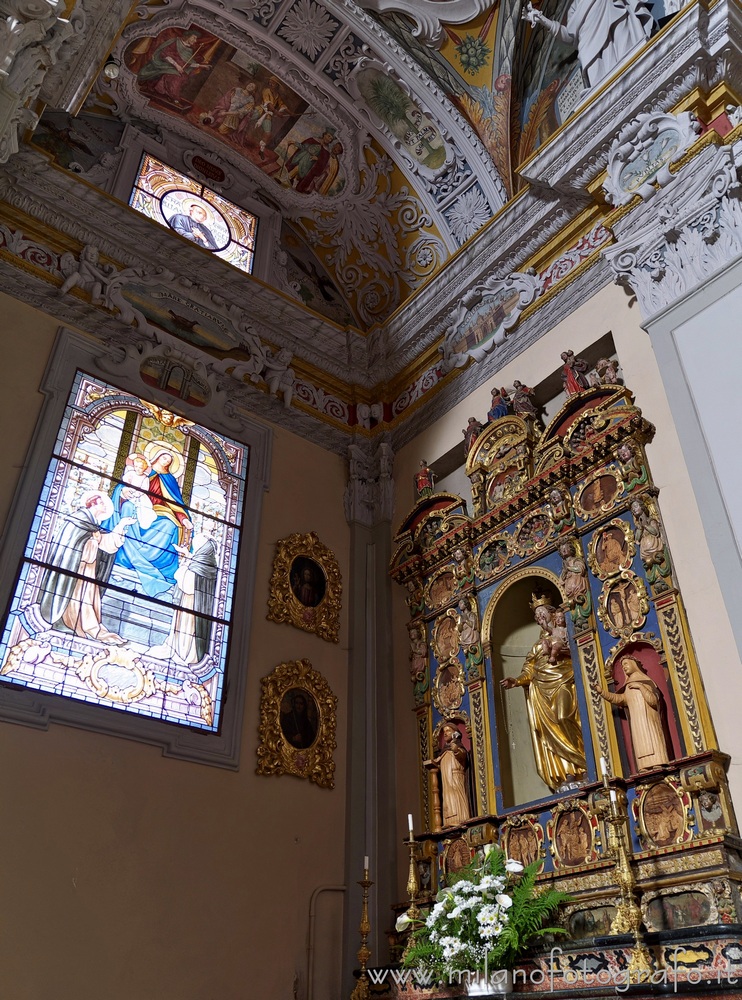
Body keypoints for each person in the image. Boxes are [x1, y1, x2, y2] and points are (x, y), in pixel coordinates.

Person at [501, 595, 587, 791]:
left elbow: (579, 652)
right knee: (550, 733)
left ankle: (584, 762)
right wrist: (516, 680)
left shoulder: (566, 634)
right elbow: (529, 670)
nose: (541, 620)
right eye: (538, 618)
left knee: (565, 717)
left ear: (553, 614)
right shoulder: (537, 646)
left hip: (564, 681)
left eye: (543, 615)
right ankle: (568, 773)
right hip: (541, 691)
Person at [38, 492, 136, 643]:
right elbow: (75, 546)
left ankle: (84, 626)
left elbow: (105, 543)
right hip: (75, 570)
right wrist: (93, 542)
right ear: (94, 504)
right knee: (74, 599)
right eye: (102, 503)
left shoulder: (92, 525)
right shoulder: (78, 520)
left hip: (87, 572)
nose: (105, 506)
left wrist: (121, 525)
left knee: (86, 602)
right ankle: (66, 621)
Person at [105, 447, 193, 597]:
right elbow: (122, 487)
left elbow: (176, 503)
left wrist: (184, 519)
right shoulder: (142, 471)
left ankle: (148, 558)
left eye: (169, 461)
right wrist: (124, 492)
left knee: (170, 525)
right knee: (127, 507)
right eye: (164, 458)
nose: (166, 461)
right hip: (136, 504)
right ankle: (127, 557)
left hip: (159, 512)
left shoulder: (170, 480)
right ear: (157, 457)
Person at [522, 0, 653, 90]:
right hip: (589, 47)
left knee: (633, 61)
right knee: (600, 89)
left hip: (615, 20)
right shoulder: (573, 8)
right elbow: (569, 36)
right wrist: (542, 19)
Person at [147, 533, 218, 664]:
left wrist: (184, 566)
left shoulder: (203, 564)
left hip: (192, 604)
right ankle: (180, 650)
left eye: (197, 548)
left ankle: (184, 653)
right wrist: (187, 556)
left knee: (187, 629)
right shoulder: (207, 563)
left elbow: (188, 584)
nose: (195, 550)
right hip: (192, 602)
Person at [595, 656, 670, 770]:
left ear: (634, 664)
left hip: (649, 720)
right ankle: (643, 766)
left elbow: (654, 701)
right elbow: (619, 699)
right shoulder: (628, 687)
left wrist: (640, 686)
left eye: (626, 664)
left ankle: (658, 762)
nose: (624, 667)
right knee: (640, 743)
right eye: (623, 666)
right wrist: (602, 693)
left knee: (653, 739)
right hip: (636, 722)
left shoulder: (646, 682)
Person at [137, 31, 211, 104]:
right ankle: (173, 97)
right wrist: (177, 65)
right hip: (165, 64)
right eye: (194, 38)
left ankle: (167, 94)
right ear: (188, 36)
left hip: (176, 68)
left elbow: (188, 63)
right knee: (176, 77)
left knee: (183, 76)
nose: (195, 41)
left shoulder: (189, 50)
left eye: (196, 39)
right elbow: (165, 55)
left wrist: (201, 66)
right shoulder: (175, 42)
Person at [435, 723, 472, 827]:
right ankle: (448, 823)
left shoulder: (458, 747)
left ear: (455, 733)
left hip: (456, 779)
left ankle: (461, 819)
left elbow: (462, 755)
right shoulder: (443, 752)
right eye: (444, 732)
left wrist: (455, 749)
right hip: (446, 781)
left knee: (456, 801)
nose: (445, 733)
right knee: (447, 801)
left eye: (448, 731)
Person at [285, 129, 343, 194]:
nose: (329, 139)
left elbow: (322, 164)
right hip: (301, 159)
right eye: (328, 136)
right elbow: (304, 146)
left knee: (299, 171)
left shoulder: (326, 152)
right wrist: (295, 143)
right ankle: (288, 179)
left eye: (331, 139)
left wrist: (317, 159)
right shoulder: (312, 140)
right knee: (296, 168)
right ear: (324, 134)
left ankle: (293, 182)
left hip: (309, 167)